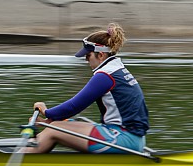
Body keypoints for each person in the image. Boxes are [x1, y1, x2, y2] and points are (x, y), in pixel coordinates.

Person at [24, 22, 149, 155]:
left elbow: (74, 106)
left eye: (88, 55)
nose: (86, 60)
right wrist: (49, 121)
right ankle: (32, 152)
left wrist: (47, 112)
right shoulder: (118, 70)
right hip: (133, 138)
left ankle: (23, 158)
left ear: (100, 55)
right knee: (59, 124)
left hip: (123, 139)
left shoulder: (105, 76)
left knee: (54, 129)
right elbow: (69, 111)